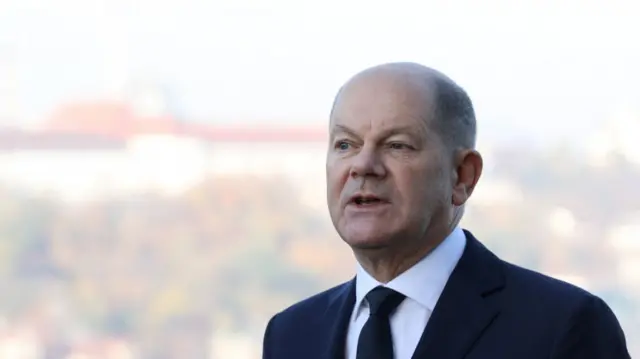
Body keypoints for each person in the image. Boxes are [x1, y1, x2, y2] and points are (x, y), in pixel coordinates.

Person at [261, 62, 631, 359]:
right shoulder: (291, 334)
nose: (363, 165)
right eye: (345, 144)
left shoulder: (561, 325)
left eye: (397, 145)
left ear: (462, 176)